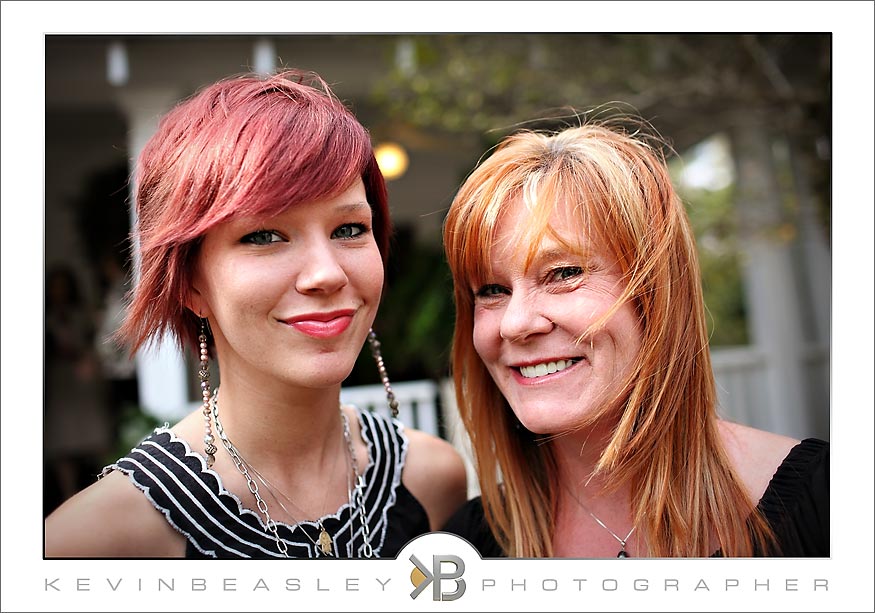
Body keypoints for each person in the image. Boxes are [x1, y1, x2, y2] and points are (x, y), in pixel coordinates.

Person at [45, 69, 467, 558]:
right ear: (190, 284)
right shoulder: (98, 541)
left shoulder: (432, 481)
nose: (326, 274)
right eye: (265, 236)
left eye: (350, 229)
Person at [440, 120, 828, 558]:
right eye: (492, 290)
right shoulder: (463, 555)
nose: (514, 324)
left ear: (656, 293)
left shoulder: (829, 504)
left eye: (564, 273)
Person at [44, 265, 113, 514]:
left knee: (92, 432)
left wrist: (89, 360)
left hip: (81, 377)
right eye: (55, 287)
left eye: (63, 286)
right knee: (63, 437)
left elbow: (96, 341)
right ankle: (67, 495)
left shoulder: (82, 314)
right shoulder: (46, 315)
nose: (59, 291)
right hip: (59, 379)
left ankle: (103, 492)